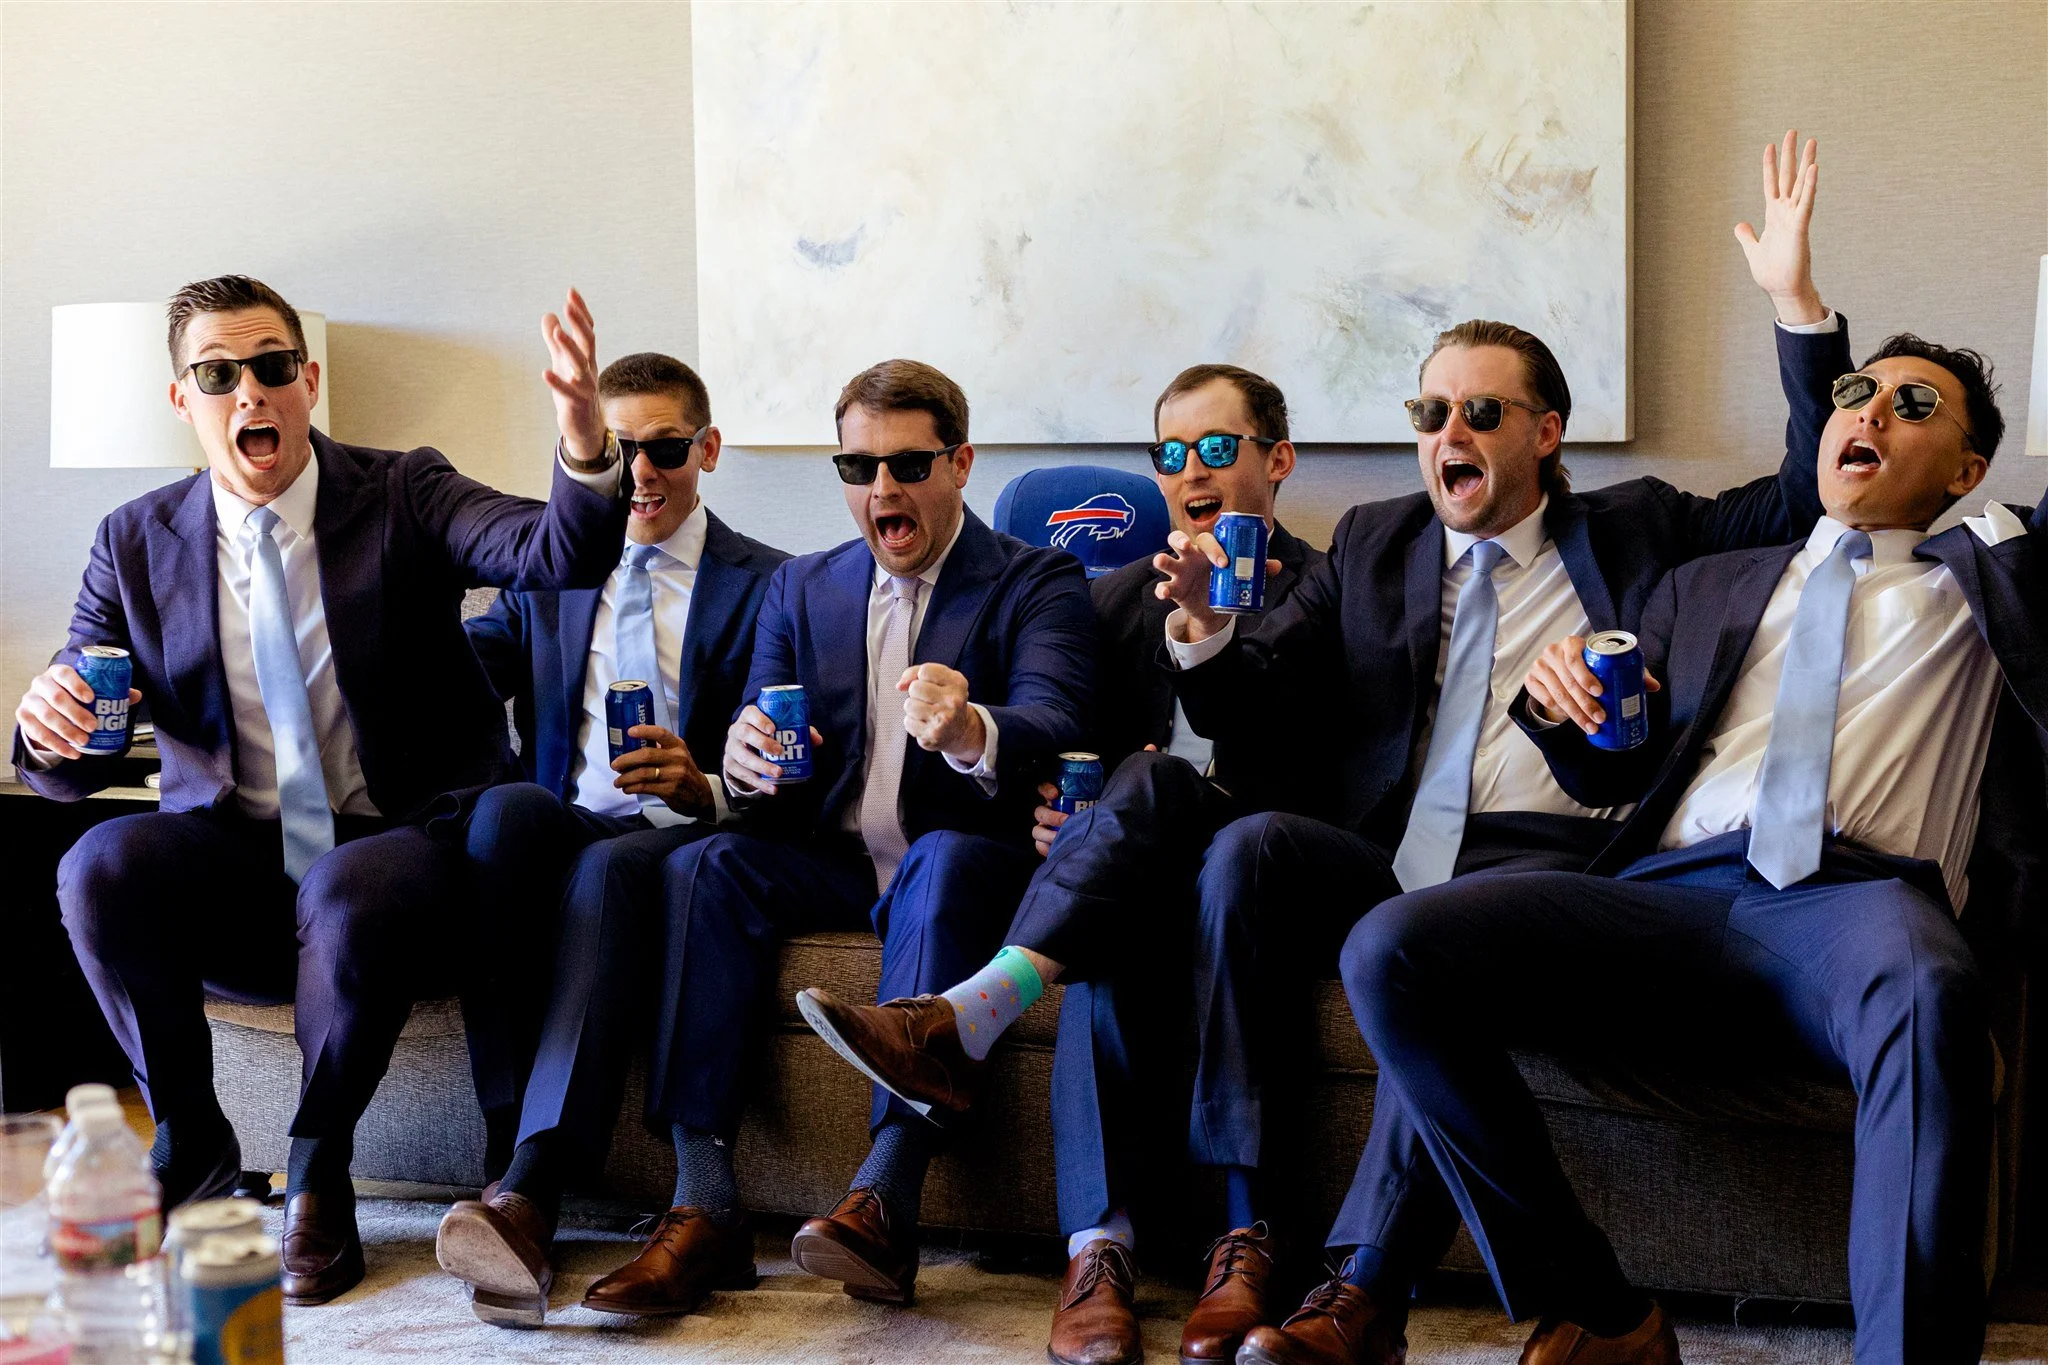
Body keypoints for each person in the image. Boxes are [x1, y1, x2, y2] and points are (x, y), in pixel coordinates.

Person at [799, 131, 1845, 1364]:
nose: (1445, 431)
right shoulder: (1374, 542)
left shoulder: (1636, 527)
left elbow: (1799, 492)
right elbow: (1263, 698)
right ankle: (978, 1022)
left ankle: (1331, 1284)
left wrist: (1793, 307)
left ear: (1546, 431)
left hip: (1545, 867)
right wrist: (1195, 634)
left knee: (1348, 909)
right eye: (1428, 411)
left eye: (1479, 412)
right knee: (1206, 817)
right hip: (1383, 857)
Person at [1321, 321, 2021, 1365]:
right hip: (1665, 896)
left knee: (1928, 993)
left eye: (1911, 405)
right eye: (1855, 393)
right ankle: (1600, 1311)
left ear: (1965, 467)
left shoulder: (1998, 575)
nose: (1868, 411)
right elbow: (1613, 761)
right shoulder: (1708, 583)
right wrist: (1569, 709)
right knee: (1393, 945)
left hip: (1854, 905)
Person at [10, 276, 627, 1305]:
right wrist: (48, 725)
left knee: (347, 887)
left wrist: (580, 441)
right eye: (218, 374)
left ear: (308, 380)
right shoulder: (134, 539)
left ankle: (315, 1168)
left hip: (401, 851)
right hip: (234, 855)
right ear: (184, 399)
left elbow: (553, 552)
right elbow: (77, 747)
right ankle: (194, 1153)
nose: (249, 390)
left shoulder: (401, 491)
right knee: (96, 864)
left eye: (269, 367)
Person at [802, 361, 1321, 1365]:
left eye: (1217, 448)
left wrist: (1208, 636)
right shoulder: (1113, 598)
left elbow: (1318, 765)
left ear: (1278, 459)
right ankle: (1099, 1254)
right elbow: (1064, 747)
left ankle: (969, 1017)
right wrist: (1056, 816)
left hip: (1257, 880)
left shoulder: (1329, 587)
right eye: (1170, 454)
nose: (1190, 471)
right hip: (1123, 884)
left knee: (1159, 791)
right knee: (1100, 902)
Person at [553, 358, 1094, 1317]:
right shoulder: (803, 589)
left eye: (906, 464)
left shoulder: (1036, 579)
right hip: (838, 861)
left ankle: (885, 1199)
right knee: (709, 860)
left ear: (960, 463)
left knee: (942, 855)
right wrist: (752, 760)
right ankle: (704, 1207)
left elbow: (1056, 715)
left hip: (969, 861)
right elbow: (769, 755)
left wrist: (973, 730)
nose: (881, 488)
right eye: (857, 467)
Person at [430, 352, 788, 1326]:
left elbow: (788, 751)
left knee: (613, 866)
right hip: (567, 813)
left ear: (706, 450)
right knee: (500, 817)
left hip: (686, 831)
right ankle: (507, 1144)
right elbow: (457, 670)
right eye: (622, 449)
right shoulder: (547, 575)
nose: (640, 472)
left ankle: (534, 1188)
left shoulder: (774, 586)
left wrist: (706, 781)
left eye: (664, 448)